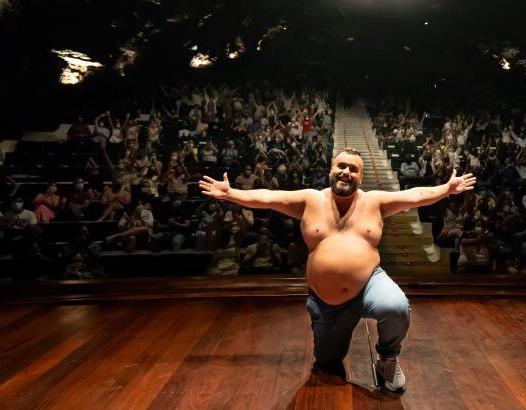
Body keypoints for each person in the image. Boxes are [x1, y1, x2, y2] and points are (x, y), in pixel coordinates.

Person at [200, 147, 475, 392]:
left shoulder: (375, 201)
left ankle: (387, 358)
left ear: (360, 176)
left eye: (353, 169)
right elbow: (268, 197)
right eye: (341, 166)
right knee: (328, 361)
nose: (346, 172)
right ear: (331, 170)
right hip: (326, 300)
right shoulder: (310, 200)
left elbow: (415, 195)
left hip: (369, 283)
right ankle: (331, 343)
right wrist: (231, 193)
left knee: (397, 307)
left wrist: (446, 189)